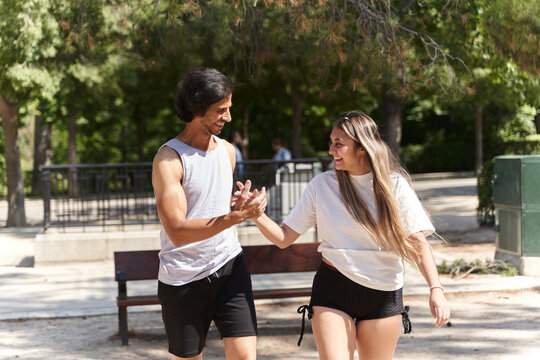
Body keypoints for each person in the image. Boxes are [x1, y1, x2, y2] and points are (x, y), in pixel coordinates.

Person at [241, 111, 450, 360]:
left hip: (383, 293)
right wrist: (255, 214)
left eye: (338, 144)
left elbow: (418, 243)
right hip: (333, 290)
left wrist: (435, 289)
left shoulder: (395, 186)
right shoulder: (322, 185)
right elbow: (284, 237)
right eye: (331, 142)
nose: (331, 150)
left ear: (362, 148)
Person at [152, 67, 267, 360]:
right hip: (183, 278)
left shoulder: (228, 151)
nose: (227, 117)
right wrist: (235, 218)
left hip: (229, 265)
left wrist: (239, 206)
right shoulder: (169, 159)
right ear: (196, 108)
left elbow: (213, 206)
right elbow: (177, 231)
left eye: (229, 109)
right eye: (220, 110)